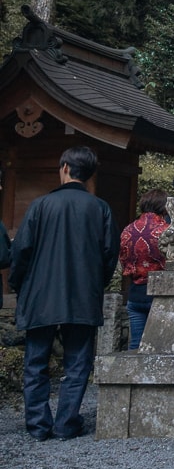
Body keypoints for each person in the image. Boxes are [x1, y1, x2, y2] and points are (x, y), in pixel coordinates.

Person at [9, 146, 118, 441]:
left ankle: (38, 425)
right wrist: (97, 284)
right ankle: (66, 423)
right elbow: (110, 255)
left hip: (40, 294)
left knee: (35, 363)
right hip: (83, 295)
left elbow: (21, 251)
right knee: (78, 363)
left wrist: (19, 284)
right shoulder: (100, 209)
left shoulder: (41, 205)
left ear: (66, 168)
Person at [118, 189, 170, 350]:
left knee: (136, 346)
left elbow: (123, 260)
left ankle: (132, 375)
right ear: (165, 207)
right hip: (162, 293)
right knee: (163, 345)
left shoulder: (128, 230)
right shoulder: (167, 230)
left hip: (136, 291)